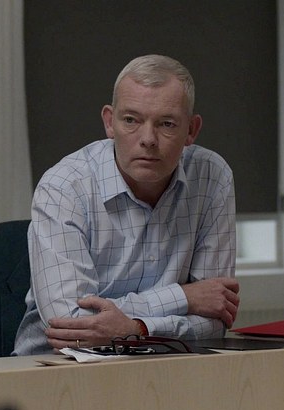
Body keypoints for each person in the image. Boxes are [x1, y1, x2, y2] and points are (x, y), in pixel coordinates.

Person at [13, 54, 240, 355]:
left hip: (166, 364)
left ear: (191, 130)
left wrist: (137, 329)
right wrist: (183, 297)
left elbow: (215, 319)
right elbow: (73, 325)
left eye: (167, 124)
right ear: (110, 122)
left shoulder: (212, 177)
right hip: (57, 365)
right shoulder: (64, 187)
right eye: (131, 120)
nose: (148, 139)